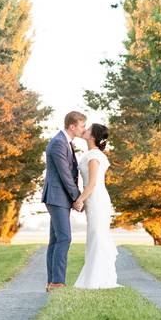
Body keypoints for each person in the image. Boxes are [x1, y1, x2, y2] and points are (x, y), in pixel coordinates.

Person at [41, 111, 86, 292]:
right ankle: (57, 282)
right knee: (65, 238)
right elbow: (65, 175)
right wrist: (77, 198)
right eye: (82, 126)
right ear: (72, 126)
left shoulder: (65, 142)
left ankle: (52, 282)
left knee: (55, 240)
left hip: (59, 197)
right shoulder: (59, 143)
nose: (84, 129)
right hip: (57, 196)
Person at [73, 123, 120, 289]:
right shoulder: (92, 154)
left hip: (97, 199)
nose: (84, 130)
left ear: (92, 136)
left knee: (98, 235)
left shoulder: (94, 156)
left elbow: (92, 184)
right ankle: (96, 277)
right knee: (95, 236)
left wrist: (79, 200)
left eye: (87, 129)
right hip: (93, 200)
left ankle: (98, 280)